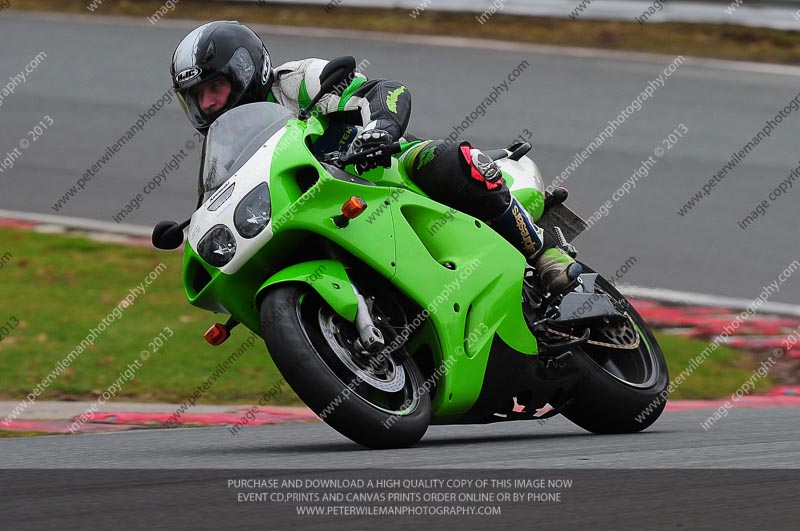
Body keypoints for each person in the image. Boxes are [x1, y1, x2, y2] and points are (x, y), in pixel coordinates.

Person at [170, 21, 581, 294]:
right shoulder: (221, 148)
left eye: (214, 88)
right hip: (324, 212)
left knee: (446, 159)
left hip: (385, 169)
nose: (207, 105)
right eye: (196, 98)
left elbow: (386, 90)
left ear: (244, 70)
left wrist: (381, 129)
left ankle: (543, 252)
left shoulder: (297, 81)